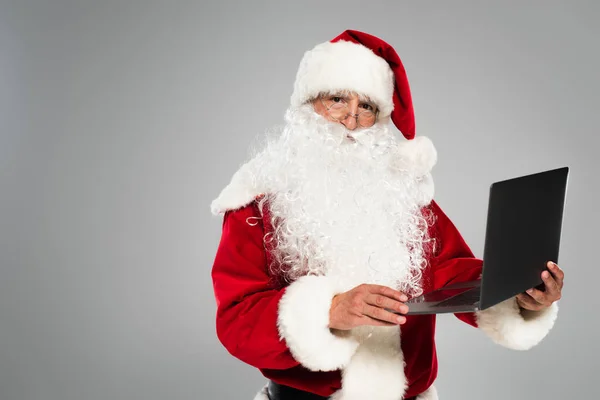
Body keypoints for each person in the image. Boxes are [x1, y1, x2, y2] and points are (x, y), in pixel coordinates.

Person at [210, 30, 564, 400]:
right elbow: (237, 319)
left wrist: (516, 293)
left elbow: (451, 273)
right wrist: (326, 311)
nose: (350, 119)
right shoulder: (258, 203)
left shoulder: (404, 194)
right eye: (336, 99)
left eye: (367, 107)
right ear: (307, 106)